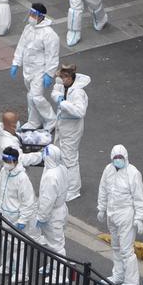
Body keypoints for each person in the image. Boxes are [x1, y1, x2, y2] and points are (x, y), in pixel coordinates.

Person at [0, 112, 42, 241]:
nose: (18, 124)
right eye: (16, 122)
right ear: (12, 125)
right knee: (25, 202)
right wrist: (40, 156)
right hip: (13, 175)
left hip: (8, 174)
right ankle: (34, 236)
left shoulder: (5, 133)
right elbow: (22, 159)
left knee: (3, 202)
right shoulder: (9, 144)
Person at [97, 144, 143, 285]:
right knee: (116, 246)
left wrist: (139, 217)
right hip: (112, 214)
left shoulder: (133, 173)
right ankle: (118, 275)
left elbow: (139, 197)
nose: (118, 160)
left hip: (126, 214)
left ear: (125, 157)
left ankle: (132, 283)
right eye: (115, 158)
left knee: (126, 250)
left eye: (120, 158)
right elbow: (103, 190)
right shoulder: (108, 170)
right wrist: (101, 208)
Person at [11, 3, 59, 130]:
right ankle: (34, 121)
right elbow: (21, 46)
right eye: (30, 13)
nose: (31, 16)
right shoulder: (28, 28)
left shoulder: (49, 34)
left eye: (33, 14)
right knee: (30, 96)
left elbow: (52, 56)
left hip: (40, 71)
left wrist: (49, 74)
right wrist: (16, 63)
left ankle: (51, 119)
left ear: (40, 16)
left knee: (36, 97)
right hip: (28, 69)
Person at [0, 148, 38, 280]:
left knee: (18, 246)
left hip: (17, 218)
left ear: (15, 161)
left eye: (8, 161)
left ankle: (22, 273)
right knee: (5, 244)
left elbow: (28, 202)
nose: (5, 163)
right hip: (5, 216)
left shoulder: (22, 178)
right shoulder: (4, 172)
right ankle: (8, 266)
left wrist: (22, 220)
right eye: (4, 160)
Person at [51, 65, 89, 201]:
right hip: (62, 126)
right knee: (60, 155)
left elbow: (80, 112)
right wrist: (58, 97)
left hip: (72, 130)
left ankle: (73, 189)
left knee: (70, 159)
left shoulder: (78, 93)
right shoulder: (63, 86)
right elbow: (55, 92)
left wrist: (63, 104)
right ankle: (64, 183)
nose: (60, 80)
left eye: (62, 77)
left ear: (69, 77)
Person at [36, 145, 69, 284]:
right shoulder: (59, 168)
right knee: (52, 242)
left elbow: (47, 200)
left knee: (56, 245)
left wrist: (41, 217)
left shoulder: (51, 176)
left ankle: (60, 275)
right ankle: (53, 265)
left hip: (53, 214)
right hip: (60, 209)